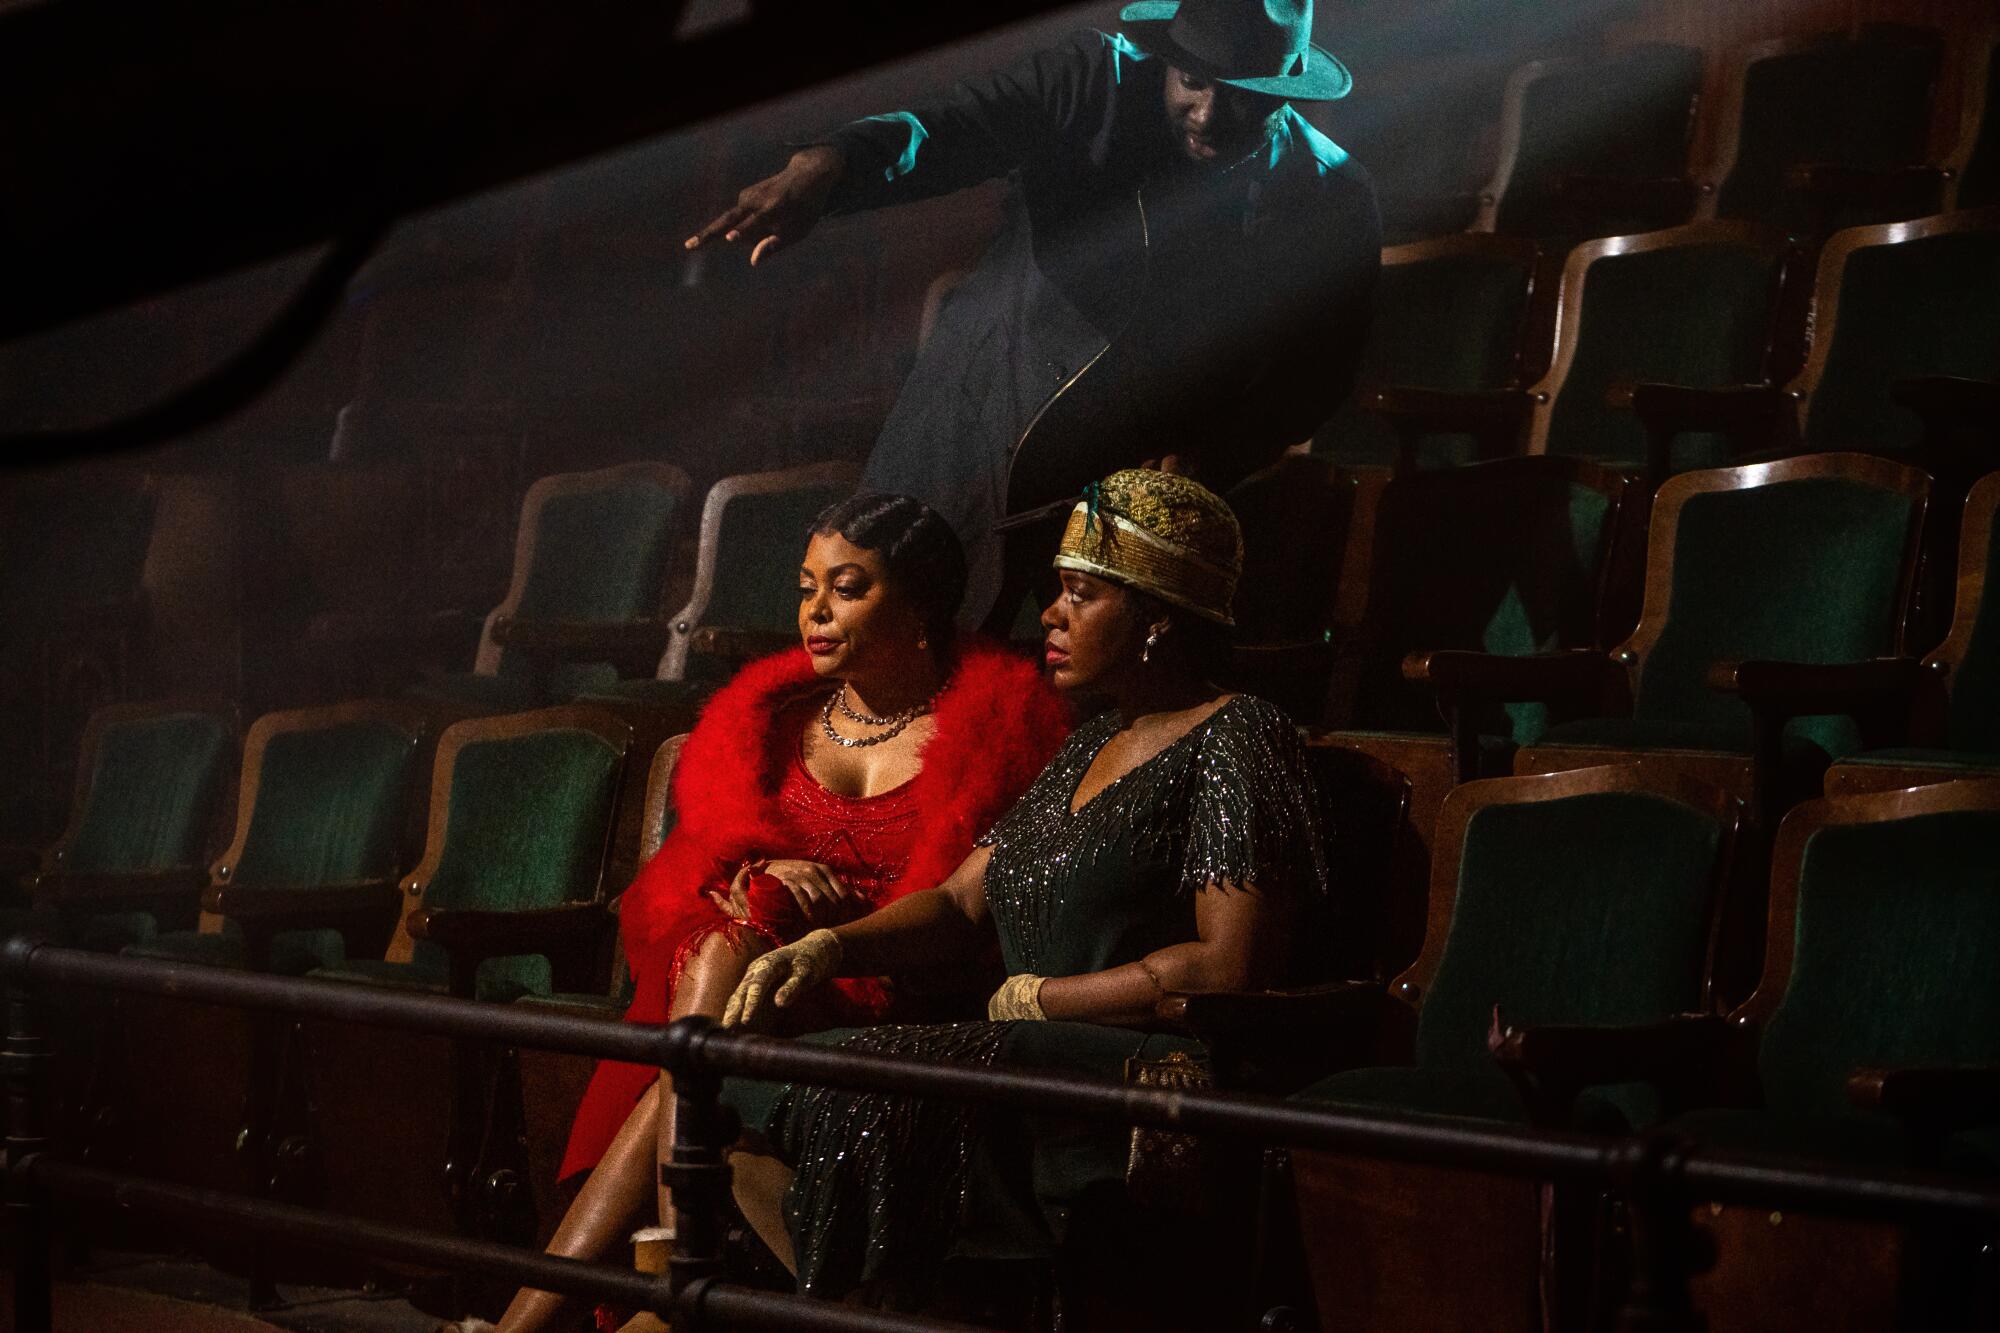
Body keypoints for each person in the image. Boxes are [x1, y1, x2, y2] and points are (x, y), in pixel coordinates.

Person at [720, 469, 1328, 1321]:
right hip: (1029, 1046)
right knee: (754, 1075)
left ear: (1156, 617)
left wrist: (1047, 996)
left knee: (866, 1092)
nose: (1050, 613)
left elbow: (1230, 962)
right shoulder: (1090, 745)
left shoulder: (1239, 732)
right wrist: (834, 945)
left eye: (1080, 594)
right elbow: (963, 900)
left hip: (1148, 1059)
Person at [478, 493, 1067, 1333]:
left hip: (889, 992)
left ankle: (602, 1298)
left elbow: (966, 913)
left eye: (848, 587)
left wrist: (821, 928)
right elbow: (681, 886)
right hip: (745, 989)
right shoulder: (769, 720)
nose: (816, 612)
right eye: (805, 587)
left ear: (922, 605)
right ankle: (668, 1279)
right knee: (715, 982)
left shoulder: (997, 733)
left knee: (696, 1041)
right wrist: (758, 868)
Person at [685, 0, 1381, 629]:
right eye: (1193, 82)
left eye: (1241, 96)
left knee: (1042, 724)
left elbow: (1317, 376)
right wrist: (834, 164)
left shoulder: (1330, 194)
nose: (1208, 113)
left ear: (1283, 90)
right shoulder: (1093, 80)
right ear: (1167, 60)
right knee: (895, 660)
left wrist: (1214, 453)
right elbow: (955, 124)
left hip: (1115, 511)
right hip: (971, 432)